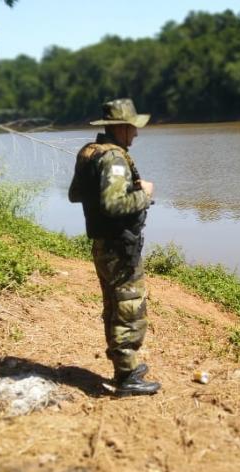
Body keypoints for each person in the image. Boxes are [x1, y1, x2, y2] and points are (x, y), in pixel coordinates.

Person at [68, 98, 160, 397]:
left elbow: (74, 195)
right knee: (129, 309)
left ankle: (125, 364)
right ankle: (127, 377)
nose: (135, 134)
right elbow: (113, 204)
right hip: (120, 247)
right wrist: (144, 194)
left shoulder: (90, 153)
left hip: (102, 245)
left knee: (114, 306)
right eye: (132, 128)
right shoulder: (114, 159)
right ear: (121, 127)